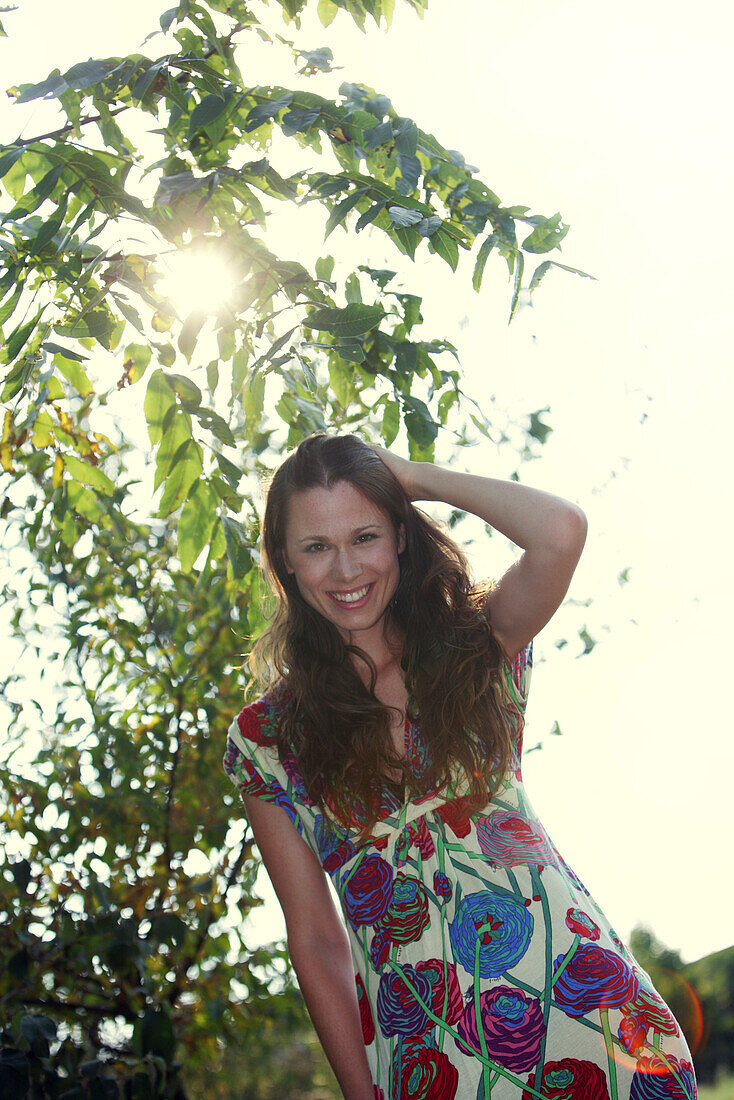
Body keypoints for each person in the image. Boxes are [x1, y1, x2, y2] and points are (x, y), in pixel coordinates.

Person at [222, 431, 697, 1100]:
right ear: (286, 563)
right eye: (317, 547)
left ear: (401, 538)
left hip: (595, 1026)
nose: (347, 570)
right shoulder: (266, 739)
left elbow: (561, 531)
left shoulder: (479, 644)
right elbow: (317, 942)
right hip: (436, 1069)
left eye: (365, 536)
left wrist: (414, 478)